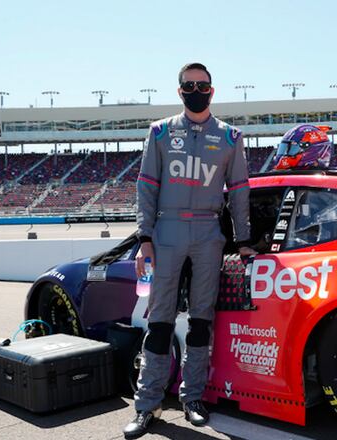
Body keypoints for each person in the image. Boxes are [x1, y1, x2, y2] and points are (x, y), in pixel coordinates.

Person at [124, 62, 256, 439]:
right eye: (188, 84)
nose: (195, 89)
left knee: (202, 320)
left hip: (208, 231)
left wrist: (244, 241)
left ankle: (193, 398)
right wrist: (143, 238)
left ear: (212, 91)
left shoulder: (231, 137)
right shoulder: (161, 131)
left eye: (202, 84)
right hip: (166, 231)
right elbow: (146, 185)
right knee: (160, 321)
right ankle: (146, 406)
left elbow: (240, 191)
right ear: (179, 90)